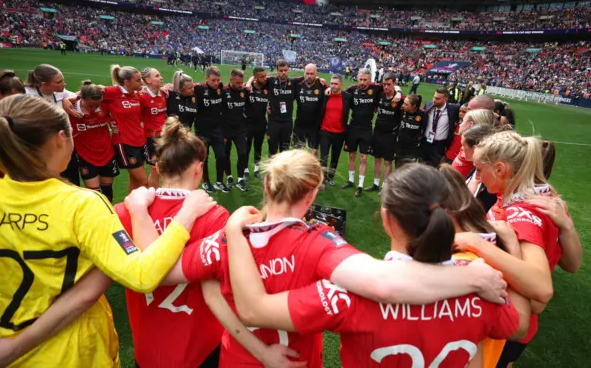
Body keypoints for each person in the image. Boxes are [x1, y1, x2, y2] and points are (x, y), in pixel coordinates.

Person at [131, 150, 507, 367]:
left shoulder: (224, 240)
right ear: (311, 196)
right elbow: (385, 282)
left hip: (239, 360)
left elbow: (159, 272)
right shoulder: (321, 243)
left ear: (266, 185)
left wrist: (142, 213)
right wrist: (472, 277)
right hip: (298, 361)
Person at [0, 94, 215, 367]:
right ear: (61, 139)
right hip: (75, 352)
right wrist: (186, 215)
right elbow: (142, 276)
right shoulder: (82, 205)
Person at [225, 163, 529, 368]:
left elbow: (254, 309)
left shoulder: (346, 295)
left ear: (386, 219)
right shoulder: (482, 284)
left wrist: (233, 232)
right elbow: (520, 326)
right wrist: (512, 249)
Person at [114, 116, 298, 368]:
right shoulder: (215, 217)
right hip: (200, 351)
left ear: (157, 167)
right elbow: (214, 296)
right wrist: (263, 353)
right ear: (199, 168)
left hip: (147, 352)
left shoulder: (125, 212)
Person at [455, 131, 566, 367]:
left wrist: (476, 243)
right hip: (511, 316)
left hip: (512, 319)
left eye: (479, 170)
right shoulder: (511, 199)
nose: (478, 177)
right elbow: (572, 263)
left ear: (499, 169)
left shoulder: (520, 213)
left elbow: (541, 291)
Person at [26, 64, 80, 185]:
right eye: (59, 82)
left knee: (71, 183)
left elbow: (77, 95)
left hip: (63, 145)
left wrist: (67, 100)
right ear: (44, 84)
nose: (64, 84)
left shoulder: (60, 92)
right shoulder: (28, 95)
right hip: (43, 148)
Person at [69, 81, 118, 202]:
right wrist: (67, 100)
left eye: (97, 105)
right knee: (94, 195)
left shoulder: (105, 104)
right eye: (91, 105)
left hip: (106, 152)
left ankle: (108, 216)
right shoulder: (71, 107)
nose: (94, 108)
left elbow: (122, 89)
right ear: (82, 98)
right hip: (86, 155)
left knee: (107, 191)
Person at [103, 65, 149, 192]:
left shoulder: (136, 94)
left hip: (139, 140)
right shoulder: (112, 92)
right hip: (125, 142)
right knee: (144, 182)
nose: (142, 82)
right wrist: (108, 120)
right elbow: (87, 97)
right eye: (138, 80)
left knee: (135, 180)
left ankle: (130, 206)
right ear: (127, 82)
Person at [341, 68, 382, 197]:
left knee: (363, 158)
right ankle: (351, 181)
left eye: (365, 80)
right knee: (351, 156)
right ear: (357, 78)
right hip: (353, 127)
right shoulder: (352, 89)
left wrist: (397, 92)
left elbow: (391, 87)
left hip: (366, 129)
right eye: (360, 79)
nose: (362, 82)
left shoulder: (376, 89)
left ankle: (360, 185)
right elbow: (339, 92)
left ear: (370, 80)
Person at [192, 66, 228, 193]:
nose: (216, 83)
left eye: (218, 80)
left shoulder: (220, 88)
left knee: (221, 156)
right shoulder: (199, 89)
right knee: (204, 158)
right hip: (203, 130)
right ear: (206, 78)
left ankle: (219, 181)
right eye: (213, 80)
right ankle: (206, 183)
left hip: (217, 129)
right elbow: (183, 88)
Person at [366, 72, 403, 195]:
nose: (386, 87)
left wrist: (398, 92)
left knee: (388, 161)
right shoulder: (379, 94)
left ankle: (385, 186)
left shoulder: (400, 99)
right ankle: (376, 183)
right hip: (377, 132)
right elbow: (366, 82)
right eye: (384, 84)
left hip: (391, 135)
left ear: (394, 84)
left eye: (388, 84)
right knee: (377, 158)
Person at [264, 60, 303, 155]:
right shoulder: (270, 81)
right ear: (277, 71)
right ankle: (271, 170)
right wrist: (265, 106)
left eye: (285, 70)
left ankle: (283, 170)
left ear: (288, 70)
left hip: (287, 123)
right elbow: (256, 81)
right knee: (272, 150)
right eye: (281, 70)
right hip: (273, 121)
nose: (283, 72)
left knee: (284, 152)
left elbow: (308, 77)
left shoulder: (293, 83)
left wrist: (319, 78)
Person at [319, 74, 350, 189]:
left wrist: (397, 90)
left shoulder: (347, 97)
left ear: (341, 84)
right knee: (323, 157)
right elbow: (312, 80)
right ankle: (322, 179)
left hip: (340, 133)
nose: (333, 86)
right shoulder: (326, 95)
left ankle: (330, 177)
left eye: (336, 84)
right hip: (325, 131)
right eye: (331, 83)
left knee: (335, 157)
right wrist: (320, 78)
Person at [139, 67, 167, 188]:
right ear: (148, 80)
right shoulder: (141, 96)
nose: (161, 78)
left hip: (166, 137)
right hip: (152, 138)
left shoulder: (165, 93)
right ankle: (153, 197)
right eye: (157, 75)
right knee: (155, 170)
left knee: (165, 170)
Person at [222, 69, 249, 191]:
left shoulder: (244, 91)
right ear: (231, 80)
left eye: (241, 82)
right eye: (237, 82)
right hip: (226, 129)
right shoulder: (223, 91)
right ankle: (229, 176)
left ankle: (240, 179)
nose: (240, 85)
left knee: (243, 153)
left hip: (240, 129)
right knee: (225, 154)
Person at [421, 87, 460, 167]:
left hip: (439, 145)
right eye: (434, 97)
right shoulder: (429, 105)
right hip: (425, 142)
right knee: (421, 167)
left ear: (445, 99)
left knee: (436, 168)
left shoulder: (453, 109)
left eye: (437, 98)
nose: (434, 100)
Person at [293, 63, 327, 155]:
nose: (309, 76)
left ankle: (313, 170)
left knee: (314, 153)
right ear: (304, 73)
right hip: (300, 125)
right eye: (307, 73)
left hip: (315, 126)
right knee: (298, 153)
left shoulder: (322, 86)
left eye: (312, 74)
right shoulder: (298, 85)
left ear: (316, 73)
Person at [452, 109, 496, 178]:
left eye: (463, 121)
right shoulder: (466, 144)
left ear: (471, 125)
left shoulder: (476, 159)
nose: (460, 125)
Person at [244, 67, 269, 180]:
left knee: (258, 147)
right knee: (246, 147)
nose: (264, 78)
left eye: (265, 76)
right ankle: (244, 169)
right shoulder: (248, 88)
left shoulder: (267, 87)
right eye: (262, 76)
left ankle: (256, 170)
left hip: (261, 123)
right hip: (248, 123)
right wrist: (249, 81)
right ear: (255, 78)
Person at [395, 94, 427, 168]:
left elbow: (424, 130)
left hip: (412, 150)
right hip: (400, 147)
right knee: (397, 170)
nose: (403, 105)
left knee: (408, 172)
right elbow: (397, 92)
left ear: (414, 106)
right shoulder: (402, 111)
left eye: (406, 104)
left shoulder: (422, 115)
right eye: (404, 103)